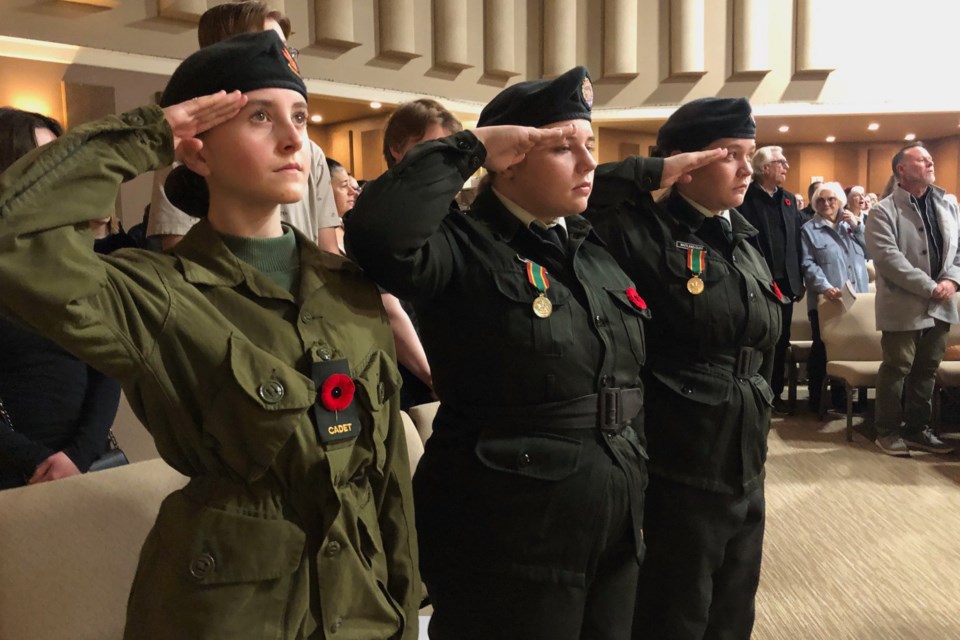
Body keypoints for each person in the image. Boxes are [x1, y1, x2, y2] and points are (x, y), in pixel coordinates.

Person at [0, 31, 418, 638]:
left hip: (360, 602)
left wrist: (402, 610)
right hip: (231, 611)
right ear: (196, 152)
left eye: (299, 116)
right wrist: (147, 134)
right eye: (258, 116)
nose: (294, 137)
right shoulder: (158, 293)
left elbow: (387, 482)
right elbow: (14, 241)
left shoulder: (349, 290)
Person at [345, 66, 709, 640]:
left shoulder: (586, 246)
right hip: (513, 534)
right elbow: (377, 233)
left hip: (612, 513)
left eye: (589, 146)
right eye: (566, 148)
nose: (589, 163)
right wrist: (471, 147)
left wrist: (647, 170)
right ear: (509, 159)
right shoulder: (460, 246)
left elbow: (605, 184)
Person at [586, 96, 784, 640]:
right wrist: (655, 172)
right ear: (687, 162)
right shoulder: (636, 229)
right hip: (678, 460)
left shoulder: (739, 236)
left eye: (751, 154)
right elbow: (581, 195)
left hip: (745, 455)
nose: (749, 168)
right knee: (674, 608)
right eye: (732, 155)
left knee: (732, 606)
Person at [146, 1, 341, 254]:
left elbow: (327, 247)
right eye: (259, 47)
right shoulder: (186, 148)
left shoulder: (309, 151)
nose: (277, 59)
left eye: (284, 50)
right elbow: (178, 248)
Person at [0, 107, 122, 490]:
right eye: (45, 162)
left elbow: (109, 365)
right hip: (13, 473)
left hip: (87, 465)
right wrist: (36, 460)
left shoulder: (79, 261)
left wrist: (78, 455)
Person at [866, 142, 959, 457]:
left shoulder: (948, 204)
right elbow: (888, 259)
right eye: (921, 159)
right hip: (903, 302)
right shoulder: (882, 211)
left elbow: (958, 250)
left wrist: (952, 280)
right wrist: (930, 286)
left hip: (942, 303)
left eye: (931, 158)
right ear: (901, 170)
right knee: (898, 366)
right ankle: (887, 432)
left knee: (927, 369)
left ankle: (918, 430)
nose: (930, 161)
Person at [737, 145, 805, 414]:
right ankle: (753, 392)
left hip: (786, 284)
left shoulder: (788, 200)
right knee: (755, 339)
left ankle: (774, 395)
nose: (786, 167)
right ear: (765, 168)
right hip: (757, 282)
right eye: (781, 162)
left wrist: (798, 279)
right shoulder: (744, 198)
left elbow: (796, 243)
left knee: (781, 339)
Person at [800, 182, 869, 412]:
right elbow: (808, 264)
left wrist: (858, 227)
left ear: (840, 201)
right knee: (822, 349)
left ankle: (844, 401)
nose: (826, 204)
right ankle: (816, 399)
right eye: (820, 200)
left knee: (851, 347)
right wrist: (825, 287)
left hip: (855, 299)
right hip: (826, 300)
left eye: (831, 200)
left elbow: (871, 252)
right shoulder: (809, 229)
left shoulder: (851, 226)